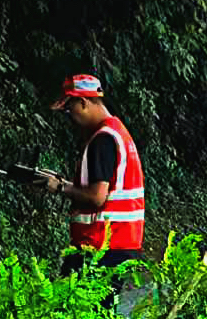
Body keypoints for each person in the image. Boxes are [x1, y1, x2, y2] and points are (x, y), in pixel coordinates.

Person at [33, 72, 145, 286]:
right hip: (120, 242)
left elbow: (96, 197)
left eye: (69, 109)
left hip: (100, 245)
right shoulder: (118, 132)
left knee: (71, 303)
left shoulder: (102, 139)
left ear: (83, 102)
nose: (70, 117)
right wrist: (63, 183)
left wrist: (60, 187)